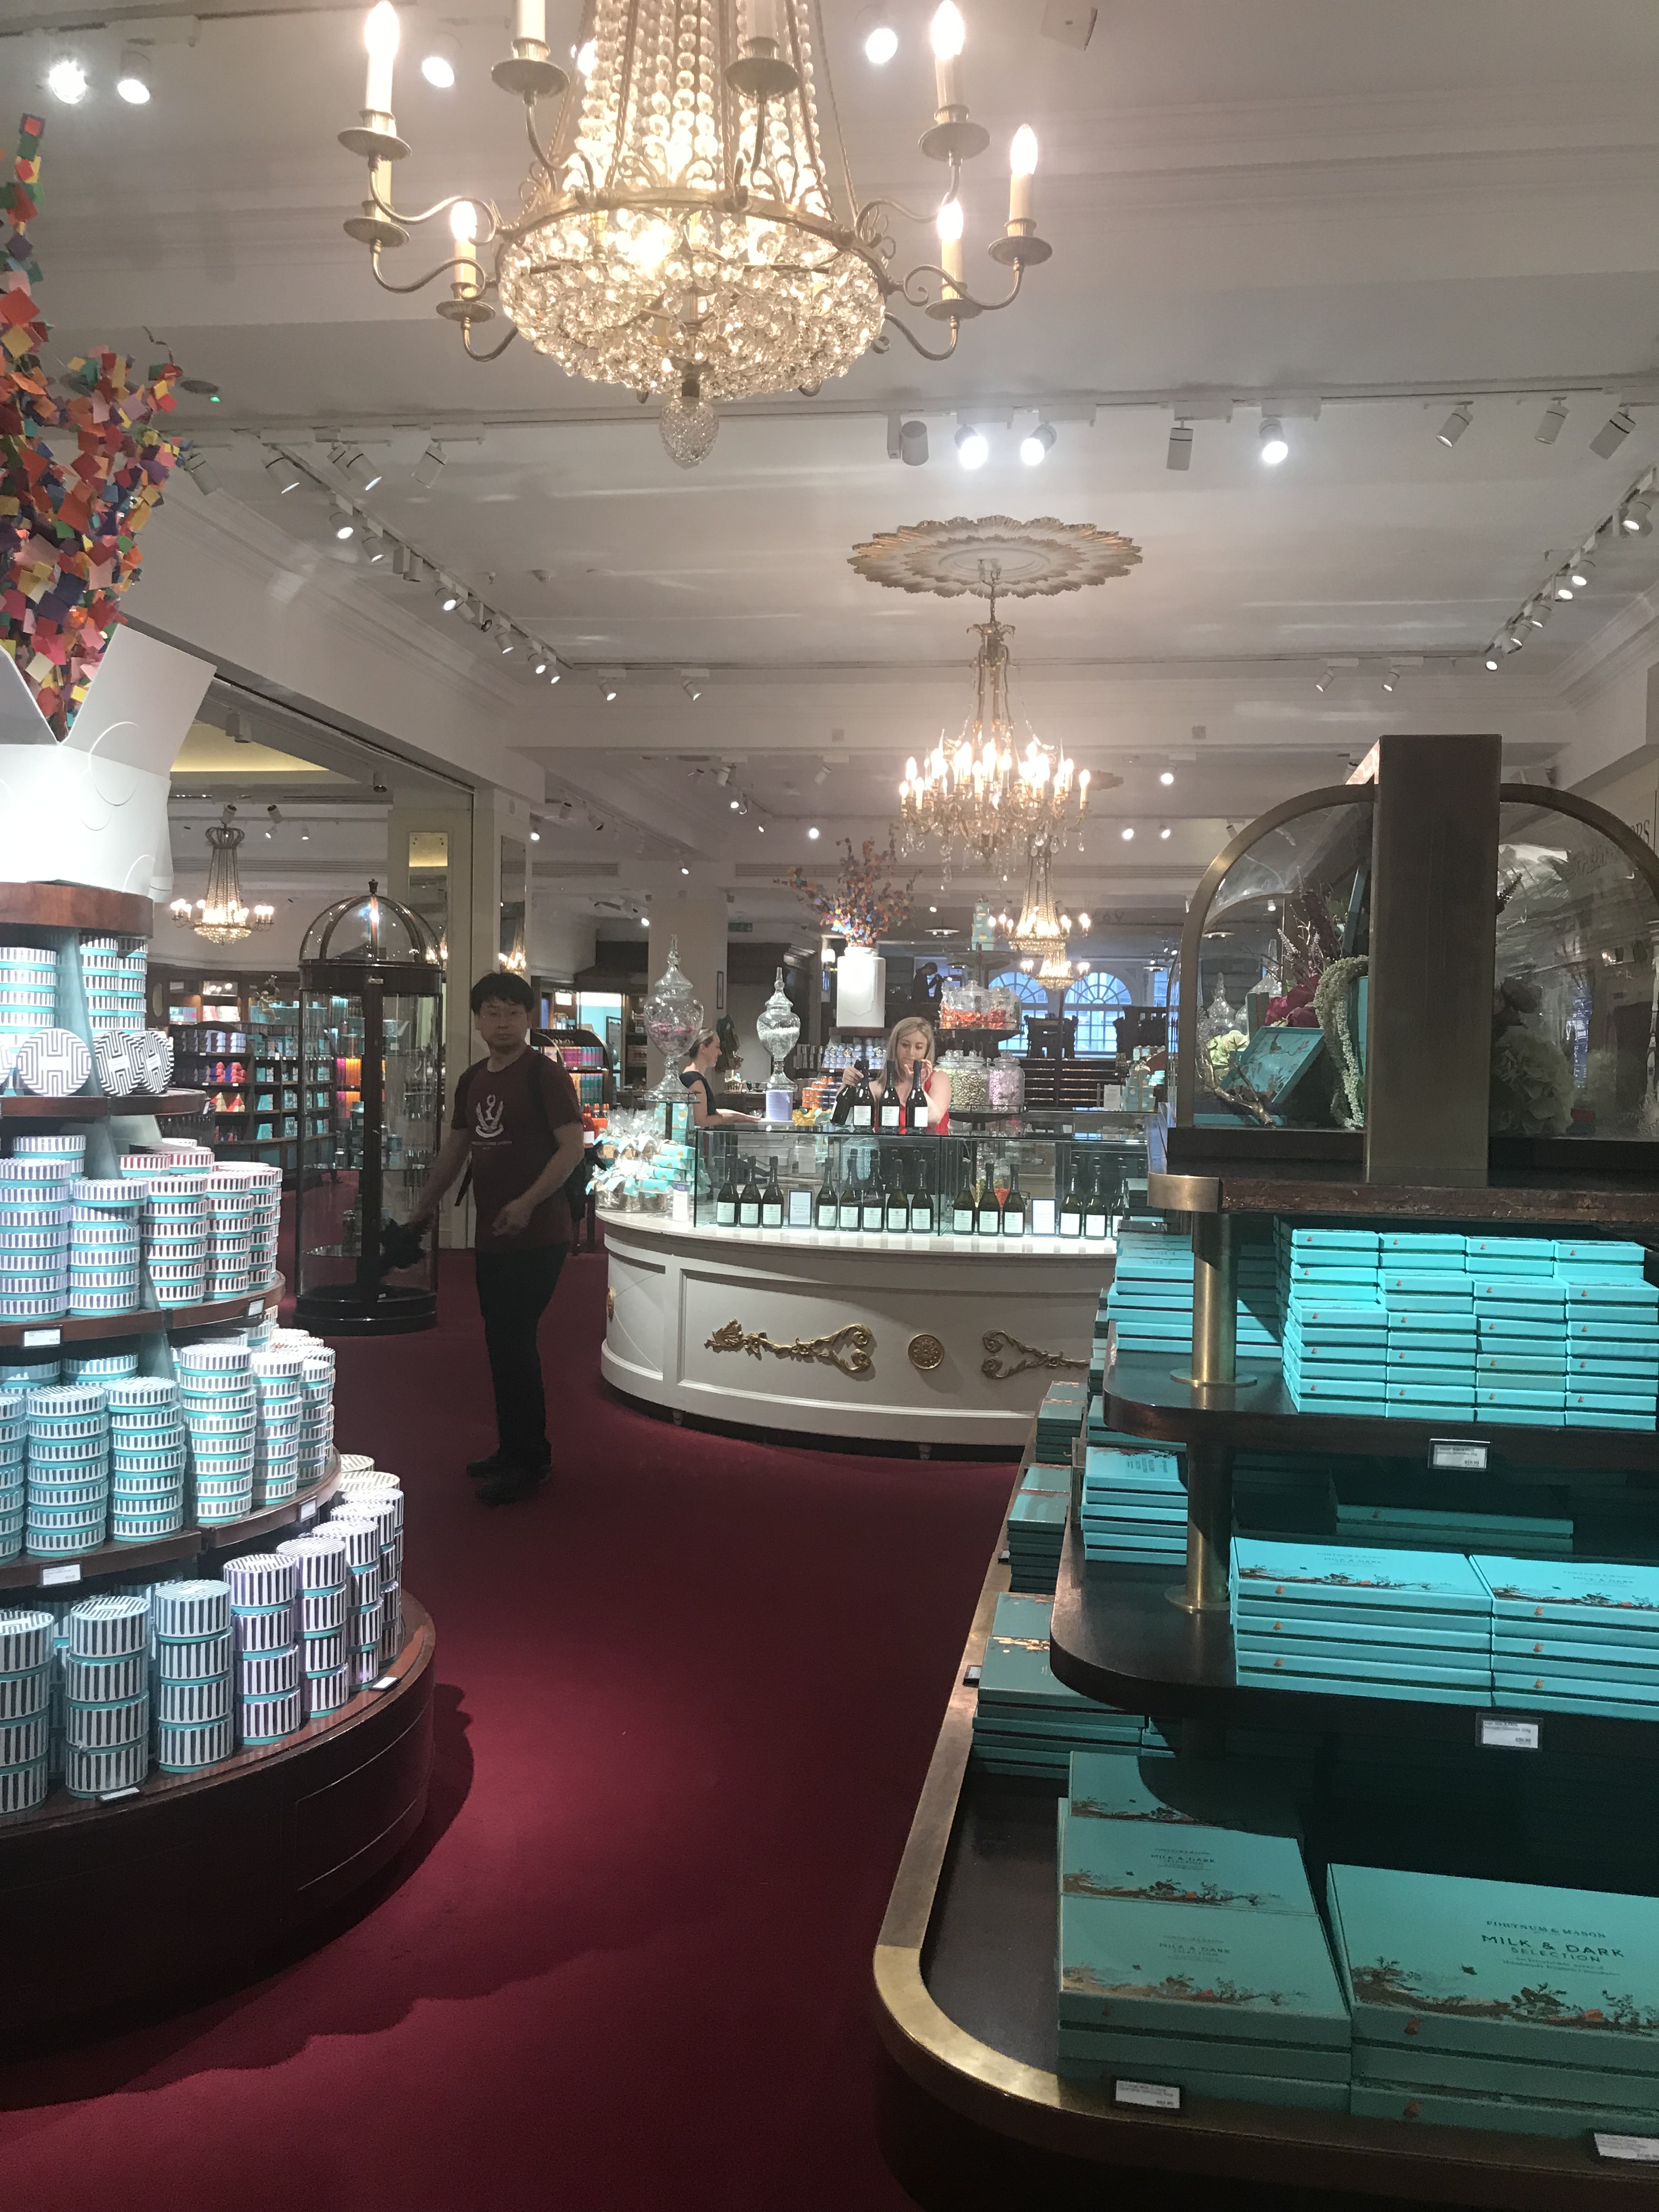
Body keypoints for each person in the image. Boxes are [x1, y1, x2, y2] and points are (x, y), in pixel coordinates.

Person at [409, 970, 585, 1505]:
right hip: (493, 1232)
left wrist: (527, 1203)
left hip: (541, 1232)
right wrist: (423, 1209)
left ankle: (532, 1459)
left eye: (513, 1012)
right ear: (478, 1020)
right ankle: (513, 1449)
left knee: (516, 1339)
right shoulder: (472, 1080)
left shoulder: (546, 1076)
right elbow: (456, 1149)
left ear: (528, 1018)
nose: (503, 1022)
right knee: (501, 1342)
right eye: (492, 1012)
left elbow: (571, 1148)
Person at [839, 1014, 951, 1131]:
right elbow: (846, 1116)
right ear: (895, 1046)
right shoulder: (879, 1088)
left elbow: (934, 1119)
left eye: (918, 1047)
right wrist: (847, 1084)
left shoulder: (939, 1079)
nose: (911, 1053)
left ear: (927, 1050)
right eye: (905, 1045)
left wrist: (917, 1086)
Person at [681, 1028, 760, 1127]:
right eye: (717, 1047)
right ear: (703, 1048)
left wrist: (743, 1117)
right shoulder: (694, 1080)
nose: (720, 1053)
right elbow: (701, 1121)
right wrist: (734, 1118)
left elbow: (712, 1112)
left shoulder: (694, 1077)